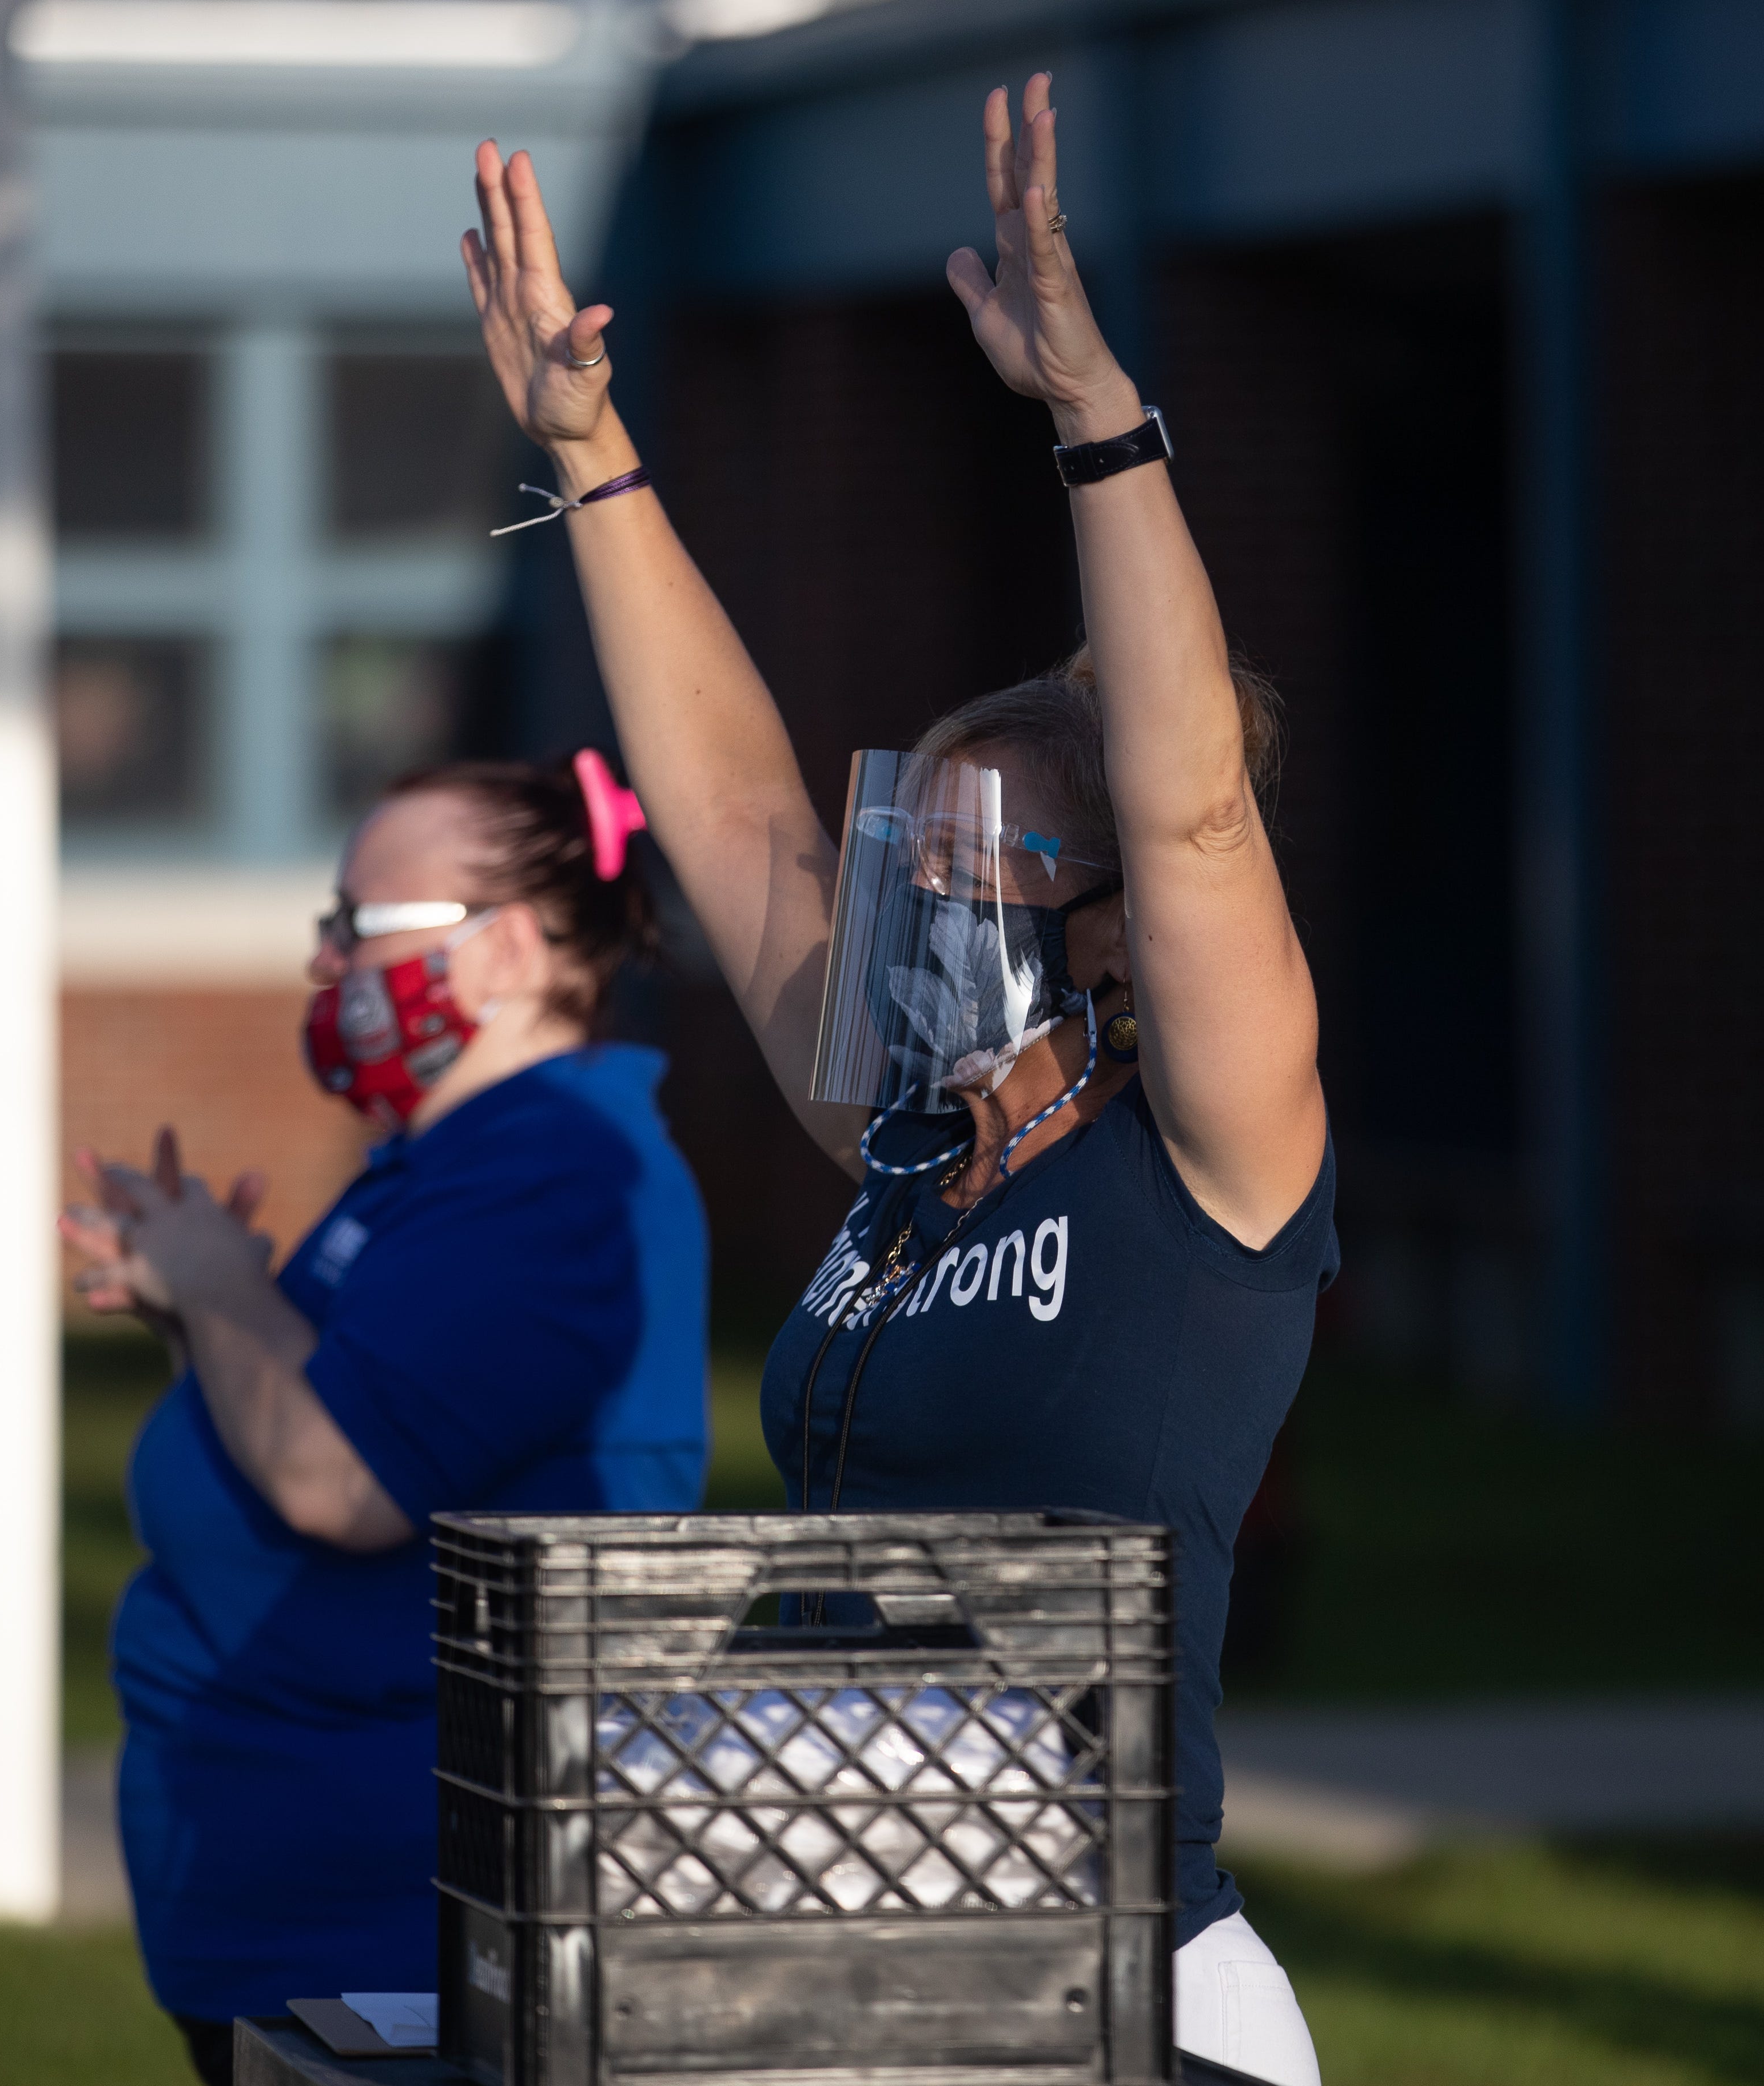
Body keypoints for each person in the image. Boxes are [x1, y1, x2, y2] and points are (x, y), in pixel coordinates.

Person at [462, 75, 1332, 2086]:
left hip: (1129, 2002)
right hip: (868, 1957)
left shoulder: (1208, 1163)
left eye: (974, 872)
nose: (911, 910)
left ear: (1106, 922)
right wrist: (594, 463)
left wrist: (1095, 423)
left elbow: (1191, 813)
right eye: (907, 865)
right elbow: (743, 823)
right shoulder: (907, 1136)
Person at [60, 753, 710, 2086]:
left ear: (512, 952)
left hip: (395, 1946)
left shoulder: (557, 1178)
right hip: (301, 1927)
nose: (327, 962)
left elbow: (340, 1480)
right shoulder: (449, 1160)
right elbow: (349, 1408)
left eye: (359, 927)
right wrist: (194, 1306)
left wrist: (224, 1282)